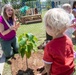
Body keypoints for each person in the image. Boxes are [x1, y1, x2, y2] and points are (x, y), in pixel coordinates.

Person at [37, 8, 75, 75]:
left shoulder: (49, 46)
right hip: (70, 71)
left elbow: (47, 64)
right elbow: (71, 56)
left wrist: (48, 73)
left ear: (50, 28)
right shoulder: (68, 40)